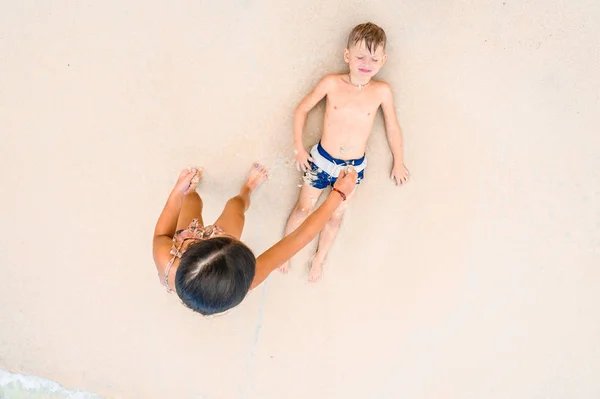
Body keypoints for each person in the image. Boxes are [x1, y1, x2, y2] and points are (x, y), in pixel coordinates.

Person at [280, 22, 410, 281]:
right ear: (347, 56)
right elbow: (302, 109)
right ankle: (285, 252)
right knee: (303, 209)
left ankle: (319, 259)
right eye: (360, 56)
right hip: (321, 160)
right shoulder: (331, 83)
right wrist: (298, 148)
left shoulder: (381, 91)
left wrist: (399, 161)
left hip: (352, 169)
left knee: (334, 217)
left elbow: (393, 127)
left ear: (383, 60)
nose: (366, 63)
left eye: (374, 58)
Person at [152, 163, 358, 315]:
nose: (219, 232)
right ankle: (245, 191)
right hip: (194, 252)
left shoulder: (167, 260)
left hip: (186, 244)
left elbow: (161, 234)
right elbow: (298, 239)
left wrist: (178, 191)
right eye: (225, 236)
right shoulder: (246, 278)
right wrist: (339, 194)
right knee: (235, 209)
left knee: (192, 200)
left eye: (223, 237)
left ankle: (201, 192)